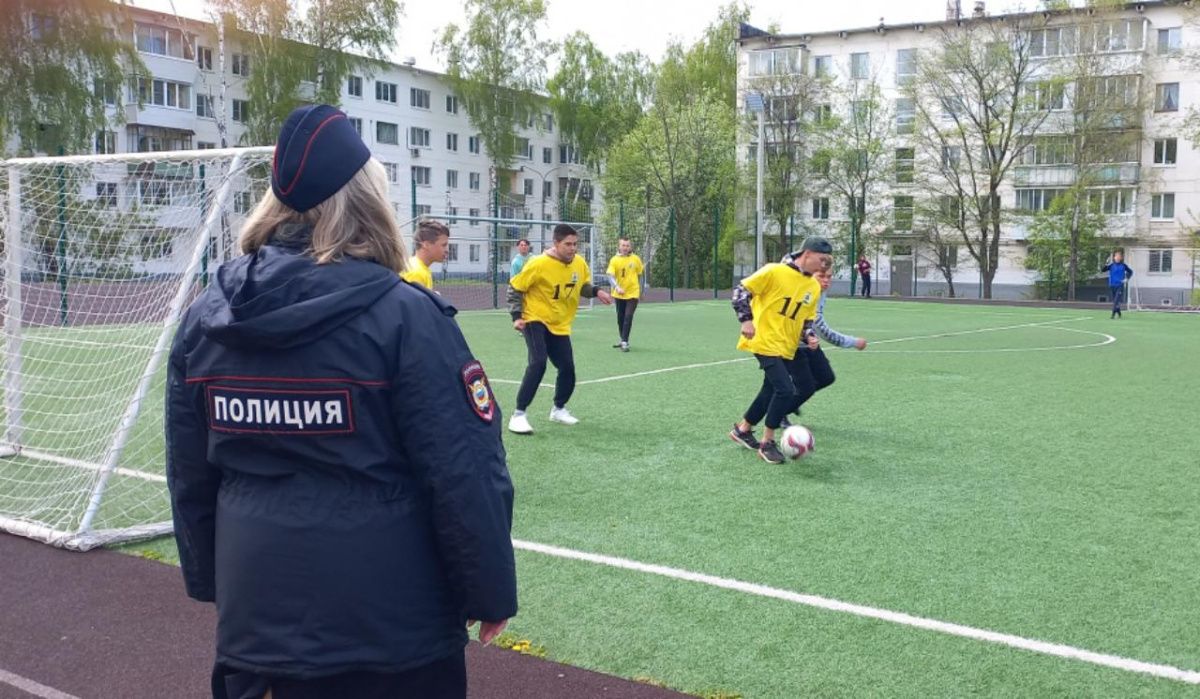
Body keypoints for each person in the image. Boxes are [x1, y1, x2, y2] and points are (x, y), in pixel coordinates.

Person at [165, 104, 516, 699]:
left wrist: (212, 579)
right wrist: (489, 591)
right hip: (390, 635)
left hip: (257, 627)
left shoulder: (207, 317)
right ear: (369, 204)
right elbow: (465, 470)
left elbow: (189, 474)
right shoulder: (405, 317)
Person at [728, 236, 831, 464]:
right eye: (822, 260)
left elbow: (805, 320)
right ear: (807, 254)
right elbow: (740, 292)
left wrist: (810, 336)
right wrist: (746, 320)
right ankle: (768, 443)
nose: (824, 266)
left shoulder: (812, 286)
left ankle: (743, 429)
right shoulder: (774, 271)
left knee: (769, 389)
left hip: (786, 346)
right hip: (763, 340)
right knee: (785, 389)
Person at [506, 223, 613, 434]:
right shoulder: (538, 264)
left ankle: (558, 409)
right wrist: (516, 317)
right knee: (538, 363)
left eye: (575, 244)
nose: (573, 248)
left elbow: (581, 286)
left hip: (560, 324)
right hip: (535, 319)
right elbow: (515, 288)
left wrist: (597, 291)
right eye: (568, 244)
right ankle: (518, 415)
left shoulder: (579, 263)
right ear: (555, 243)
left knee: (567, 368)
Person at [782, 265, 868, 422]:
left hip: (808, 342)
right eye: (821, 276)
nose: (826, 280)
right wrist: (852, 342)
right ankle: (780, 413)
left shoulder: (820, 291)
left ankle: (791, 400)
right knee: (805, 388)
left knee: (826, 377)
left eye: (829, 277)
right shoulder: (805, 292)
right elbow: (820, 327)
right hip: (792, 345)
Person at [606, 237, 645, 352]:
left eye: (627, 245)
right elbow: (609, 275)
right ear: (619, 246)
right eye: (623, 245)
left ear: (630, 247)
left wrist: (641, 291)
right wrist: (617, 287)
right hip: (619, 294)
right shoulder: (614, 260)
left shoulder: (636, 259)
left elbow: (640, 275)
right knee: (620, 317)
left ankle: (625, 341)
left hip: (633, 292)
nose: (625, 248)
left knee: (628, 316)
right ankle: (622, 338)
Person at [401, 220, 450, 289]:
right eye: (444, 245)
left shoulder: (418, 267)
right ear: (426, 245)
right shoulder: (417, 273)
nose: (447, 250)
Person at [1103, 249, 1133, 319]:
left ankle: (1113, 314)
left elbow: (1131, 272)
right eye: (1116, 256)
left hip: (1120, 286)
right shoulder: (1111, 265)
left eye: (1119, 256)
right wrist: (1106, 264)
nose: (1118, 257)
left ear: (1121, 258)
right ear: (1114, 257)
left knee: (1116, 300)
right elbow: (1103, 270)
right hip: (1112, 285)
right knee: (1115, 301)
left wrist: (1127, 279)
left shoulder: (1123, 265)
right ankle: (1118, 312)